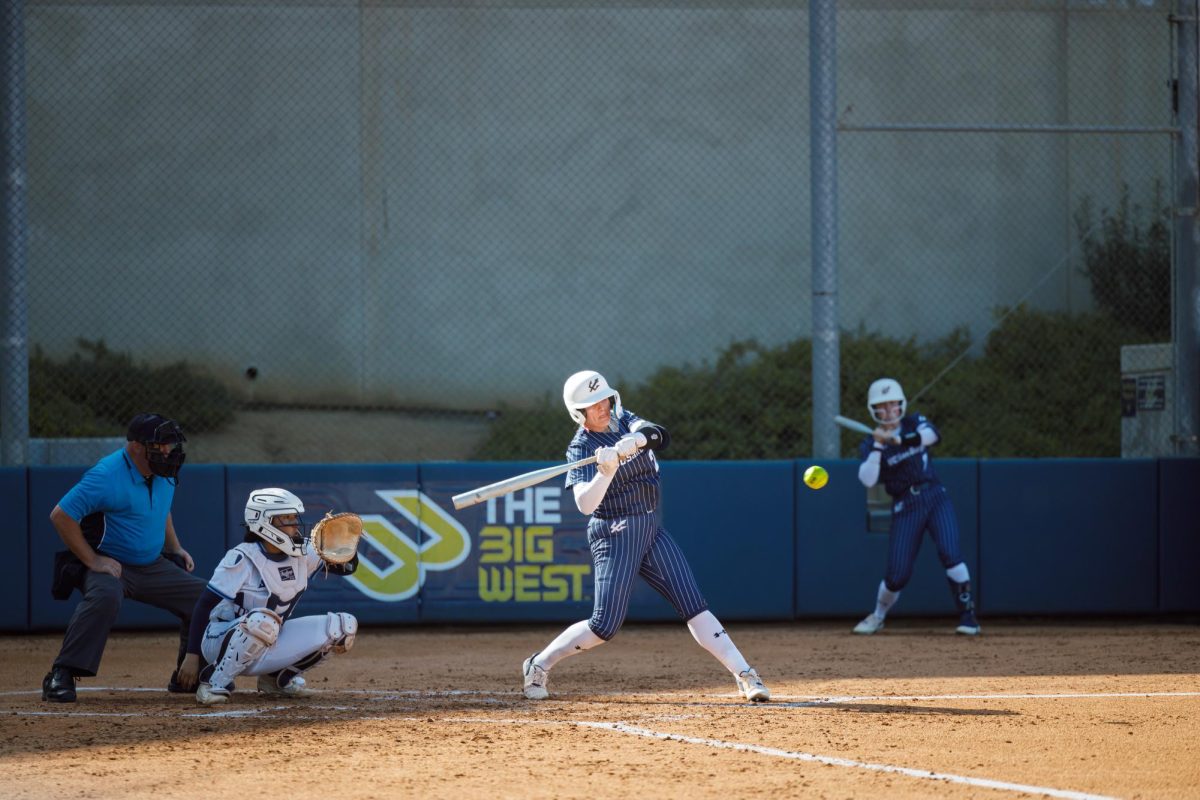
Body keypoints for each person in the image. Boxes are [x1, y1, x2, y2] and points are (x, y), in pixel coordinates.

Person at [520, 370, 770, 703]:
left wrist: (635, 441)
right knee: (603, 626)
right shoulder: (580, 448)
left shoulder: (625, 419)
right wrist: (605, 472)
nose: (603, 407)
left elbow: (658, 435)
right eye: (593, 405)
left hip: (650, 526)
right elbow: (585, 503)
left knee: (693, 605)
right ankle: (539, 664)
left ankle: (745, 674)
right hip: (614, 532)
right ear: (578, 413)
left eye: (604, 399)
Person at [41, 412, 206, 703]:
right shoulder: (106, 475)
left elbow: (161, 511)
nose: (168, 451)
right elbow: (61, 515)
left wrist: (175, 548)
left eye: (171, 444)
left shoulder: (162, 471)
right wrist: (93, 560)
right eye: (161, 444)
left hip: (151, 564)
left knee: (206, 598)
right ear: (136, 447)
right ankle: (62, 673)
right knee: (105, 597)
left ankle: (186, 676)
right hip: (111, 563)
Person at [173, 487, 359, 705]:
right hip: (220, 639)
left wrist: (343, 550)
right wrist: (192, 655)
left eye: (293, 517)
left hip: (269, 636)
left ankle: (276, 680)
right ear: (265, 522)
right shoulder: (242, 558)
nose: (294, 524)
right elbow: (204, 606)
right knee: (263, 621)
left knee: (343, 626)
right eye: (286, 518)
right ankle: (213, 683)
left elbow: (348, 568)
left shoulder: (302, 551)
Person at [851, 378, 981, 636]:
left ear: (901, 405)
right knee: (897, 574)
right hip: (905, 505)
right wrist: (879, 444)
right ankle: (878, 616)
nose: (888, 412)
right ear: (874, 411)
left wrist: (898, 441)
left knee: (950, 553)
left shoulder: (914, 423)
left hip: (934, 496)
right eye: (882, 407)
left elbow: (933, 435)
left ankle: (968, 617)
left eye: (892, 406)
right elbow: (867, 478)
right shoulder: (870, 443)